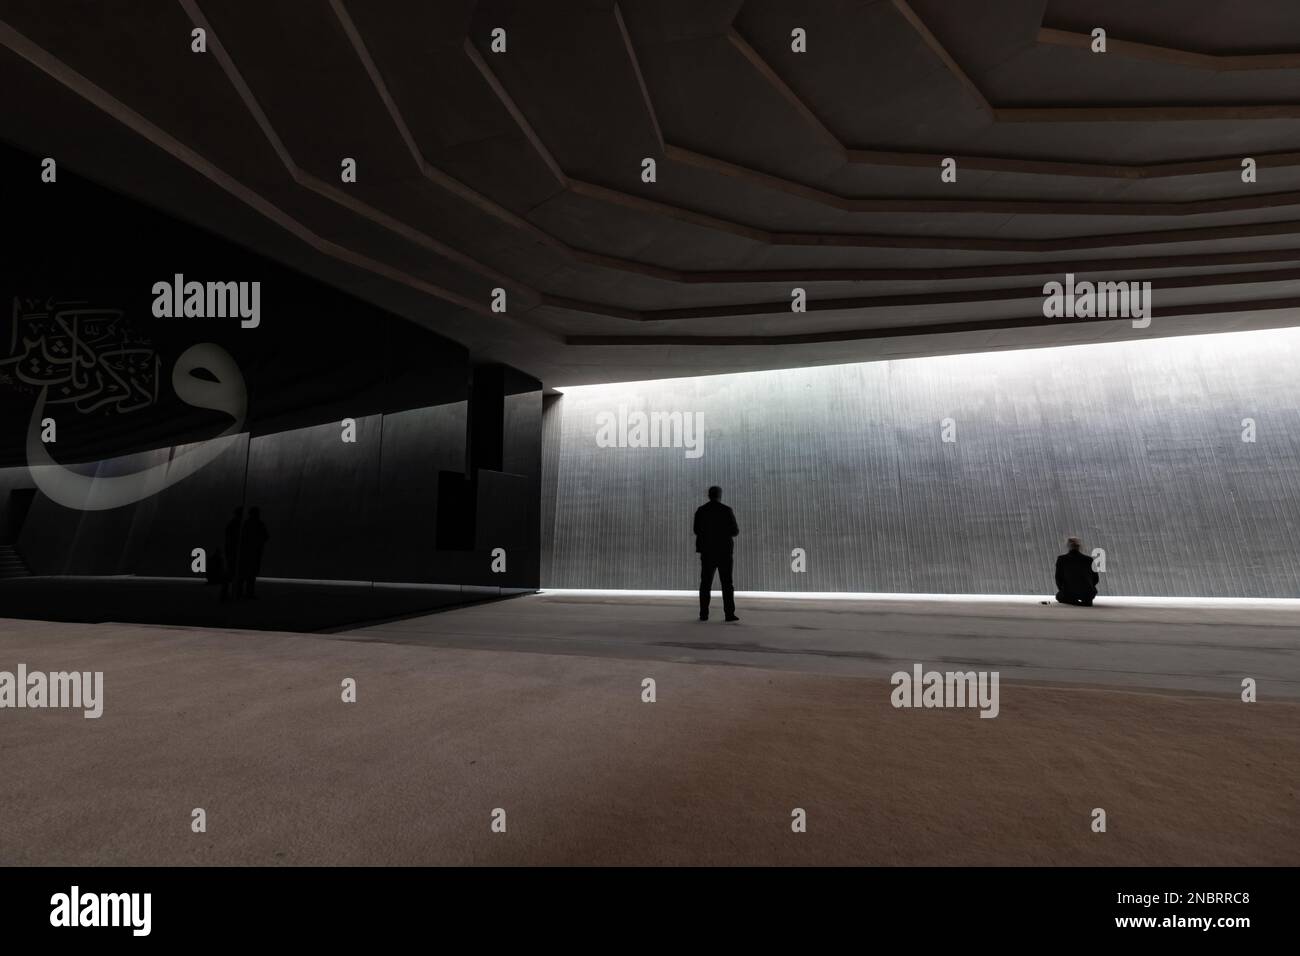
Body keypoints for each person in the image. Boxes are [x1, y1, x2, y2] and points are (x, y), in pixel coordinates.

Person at [694, 485, 739, 622]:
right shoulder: (726, 510)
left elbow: (696, 530)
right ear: (720, 495)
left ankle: (703, 614)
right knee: (727, 584)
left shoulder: (701, 511)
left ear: (709, 495)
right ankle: (729, 614)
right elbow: (735, 531)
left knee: (705, 583)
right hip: (724, 552)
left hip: (707, 552)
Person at [1055, 536, 1099, 606]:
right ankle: (1086, 599)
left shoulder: (1061, 559)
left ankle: (1072, 600)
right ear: (1079, 546)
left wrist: (1063, 590)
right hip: (1087, 592)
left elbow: (1058, 579)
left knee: (1059, 596)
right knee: (1086, 595)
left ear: (1068, 546)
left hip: (1068, 592)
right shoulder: (1089, 560)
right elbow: (1096, 579)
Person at [238, 507, 269, 599]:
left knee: (244, 573)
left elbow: (242, 538)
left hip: (246, 552)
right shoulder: (259, 524)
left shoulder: (246, 524)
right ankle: (249, 593)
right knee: (251, 574)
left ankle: (240, 592)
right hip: (255, 552)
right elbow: (266, 536)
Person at [222, 507, 243, 601]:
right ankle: (235, 593)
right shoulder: (238, 525)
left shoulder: (232, 524)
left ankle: (227, 592)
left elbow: (228, 539)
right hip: (234, 551)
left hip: (231, 550)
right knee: (235, 572)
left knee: (231, 572)